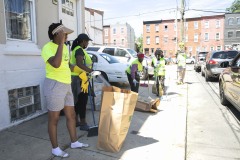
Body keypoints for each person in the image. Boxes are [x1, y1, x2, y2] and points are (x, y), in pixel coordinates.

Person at [41, 23, 89, 158]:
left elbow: (68, 66)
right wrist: (61, 44)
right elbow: (56, 64)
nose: (67, 36)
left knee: (72, 115)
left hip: (67, 84)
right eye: (64, 34)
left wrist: (82, 72)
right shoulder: (47, 48)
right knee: (54, 119)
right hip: (54, 85)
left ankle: (74, 142)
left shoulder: (66, 48)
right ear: (57, 34)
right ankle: (55, 149)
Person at [70, 33, 93, 131]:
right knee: (82, 102)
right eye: (87, 41)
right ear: (83, 41)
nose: (88, 43)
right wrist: (91, 71)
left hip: (78, 78)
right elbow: (79, 64)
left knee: (77, 101)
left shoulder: (78, 49)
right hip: (79, 80)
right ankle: (83, 123)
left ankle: (76, 121)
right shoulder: (79, 50)